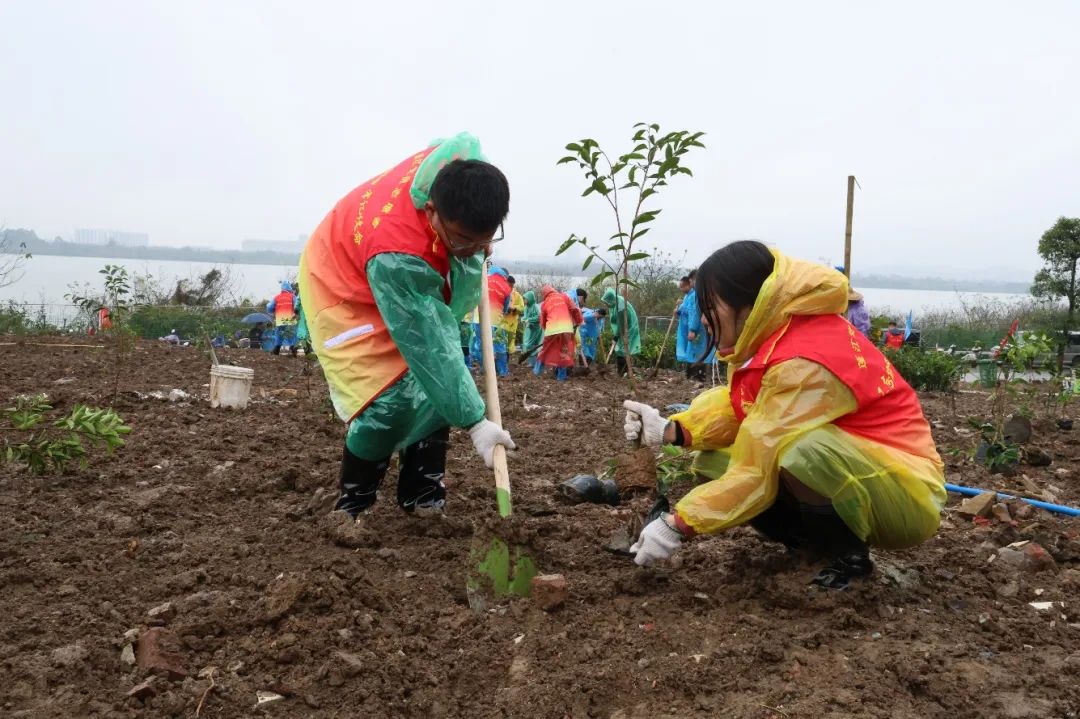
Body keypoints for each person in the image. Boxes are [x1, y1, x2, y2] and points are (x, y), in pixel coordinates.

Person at [623, 241, 945, 589]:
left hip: (906, 490)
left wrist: (677, 524)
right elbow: (743, 408)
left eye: (711, 305)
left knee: (802, 453)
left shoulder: (804, 361)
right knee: (713, 462)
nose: (703, 318)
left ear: (749, 304)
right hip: (860, 469)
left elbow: (757, 464)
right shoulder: (774, 337)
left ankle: (847, 556)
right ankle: (808, 545)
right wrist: (672, 430)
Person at [298, 133, 515, 517]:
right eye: (465, 239)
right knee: (388, 400)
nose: (480, 250)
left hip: (389, 261)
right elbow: (432, 348)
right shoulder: (398, 259)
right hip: (343, 281)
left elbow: (439, 349)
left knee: (434, 387)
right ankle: (355, 502)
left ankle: (421, 493)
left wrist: (474, 242)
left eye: (487, 238)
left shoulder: (464, 161)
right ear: (431, 211)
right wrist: (475, 421)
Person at [470, 265, 513, 377]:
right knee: (499, 345)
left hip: (478, 319)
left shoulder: (482, 280)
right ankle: (502, 371)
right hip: (496, 321)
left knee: (480, 345)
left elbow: (473, 298)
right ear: (505, 276)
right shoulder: (506, 287)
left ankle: (486, 369)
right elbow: (505, 308)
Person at [536, 285, 583, 381]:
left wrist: (547, 331)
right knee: (564, 352)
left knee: (545, 350)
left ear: (545, 294)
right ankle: (561, 377)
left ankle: (536, 372)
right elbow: (575, 310)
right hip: (566, 328)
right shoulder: (564, 296)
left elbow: (543, 320)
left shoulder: (544, 303)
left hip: (551, 329)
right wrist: (579, 321)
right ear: (554, 291)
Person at [676, 271, 709, 380]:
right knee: (692, 351)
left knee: (697, 351)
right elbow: (687, 309)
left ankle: (698, 375)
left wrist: (693, 329)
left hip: (697, 329)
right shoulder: (690, 296)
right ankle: (691, 375)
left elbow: (695, 312)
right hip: (692, 328)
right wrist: (679, 310)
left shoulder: (696, 295)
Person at [601, 287, 641, 376]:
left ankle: (625, 372)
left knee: (624, 349)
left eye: (606, 303)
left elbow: (622, 324)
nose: (606, 305)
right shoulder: (615, 302)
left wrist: (616, 337)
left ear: (611, 300)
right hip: (622, 328)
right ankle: (622, 372)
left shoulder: (620, 307)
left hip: (629, 327)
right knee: (620, 349)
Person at [266, 281, 299, 355]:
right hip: (291, 320)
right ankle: (293, 350)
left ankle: (276, 351)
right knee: (292, 335)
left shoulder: (277, 297)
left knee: (279, 335)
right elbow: (297, 306)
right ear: (289, 288)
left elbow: (269, 308)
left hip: (280, 320)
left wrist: (274, 309)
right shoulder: (292, 296)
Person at [521, 290, 543, 366]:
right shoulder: (526, 308)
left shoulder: (536, 307)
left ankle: (534, 362)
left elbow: (539, 317)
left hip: (536, 329)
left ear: (530, 299)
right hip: (529, 328)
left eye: (525, 299)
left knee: (534, 345)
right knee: (527, 344)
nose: (524, 301)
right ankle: (532, 362)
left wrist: (529, 320)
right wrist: (523, 319)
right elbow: (525, 316)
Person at [505, 276, 525, 355]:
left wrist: (514, 308)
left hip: (512, 324)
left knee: (510, 344)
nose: (511, 287)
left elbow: (522, 308)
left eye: (512, 286)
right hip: (500, 323)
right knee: (499, 343)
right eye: (509, 285)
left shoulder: (517, 295)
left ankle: (507, 360)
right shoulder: (501, 293)